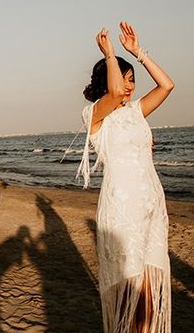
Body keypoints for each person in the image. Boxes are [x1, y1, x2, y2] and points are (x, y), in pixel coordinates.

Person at [78, 22, 174, 333]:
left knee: (150, 287)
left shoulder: (136, 111)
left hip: (151, 205)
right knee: (129, 288)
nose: (129, 86)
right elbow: (116, 91)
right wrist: (111, 54)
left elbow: (167, 86)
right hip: (122, 209)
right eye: (125, 78)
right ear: (106, 79)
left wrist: (138, 53)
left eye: (132, 79)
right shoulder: (94, 114)